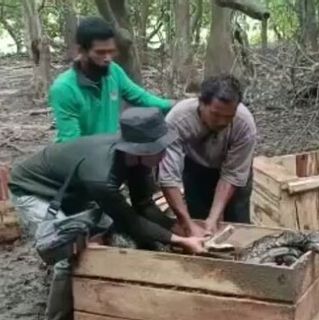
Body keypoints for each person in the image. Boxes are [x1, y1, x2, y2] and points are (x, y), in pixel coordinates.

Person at [9, 107, 206, 320]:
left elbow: (144, 205)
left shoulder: (137, 160)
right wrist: (181, 241)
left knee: (107, 229)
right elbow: (132, 221)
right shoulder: (102, 177)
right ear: (138, 150)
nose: (163, 154)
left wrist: (179, 229)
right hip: (34, 189)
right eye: (158, 150)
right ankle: (60, 315)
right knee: (66, 255)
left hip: (72, 189)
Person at [48, 16, 175, 143]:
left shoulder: (114, 71)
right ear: (81, 51)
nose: (108, 58)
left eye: (111, 51)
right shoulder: (64, 88)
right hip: (81, 156)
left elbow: (141, 97)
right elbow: (70, 142)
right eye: (100, 52)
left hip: (109, 149)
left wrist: (174, 105)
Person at [159, 74, 257, 237]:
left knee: (238, 224)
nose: (222, 122)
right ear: (201, 103)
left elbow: (232, 175)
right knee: (197, 220)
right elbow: (168, 177)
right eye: (216, 115)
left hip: (233, 170)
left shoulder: (245, 125)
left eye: (228, 117)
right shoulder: (177, 120)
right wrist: (187, 223)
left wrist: (214, 217)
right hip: (196, 167)